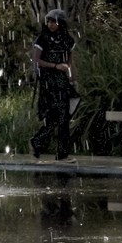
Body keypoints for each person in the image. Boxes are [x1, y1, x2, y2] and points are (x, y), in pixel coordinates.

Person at [30, 9, 77, 161]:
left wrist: (72, 79)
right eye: (49, 21)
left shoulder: (67, 40)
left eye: (54, 21)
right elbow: (37, 61)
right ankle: (39, 142)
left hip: (62, 82)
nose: (51, 24)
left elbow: (70, 62)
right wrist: (55, 66)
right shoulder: (42, 39)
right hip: (48, 82)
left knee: (63, 117)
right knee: (53, 117)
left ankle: (60, 152)